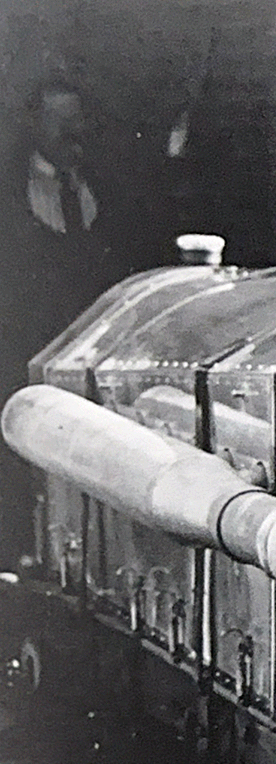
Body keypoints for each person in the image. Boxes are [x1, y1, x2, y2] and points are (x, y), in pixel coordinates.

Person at [1, 74, 137, 563]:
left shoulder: (106, 189)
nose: (71, 132)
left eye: (77, 119)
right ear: (33, 123)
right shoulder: (10, 197)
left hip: (91, 367)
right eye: (58, 120)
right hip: (22, 363)